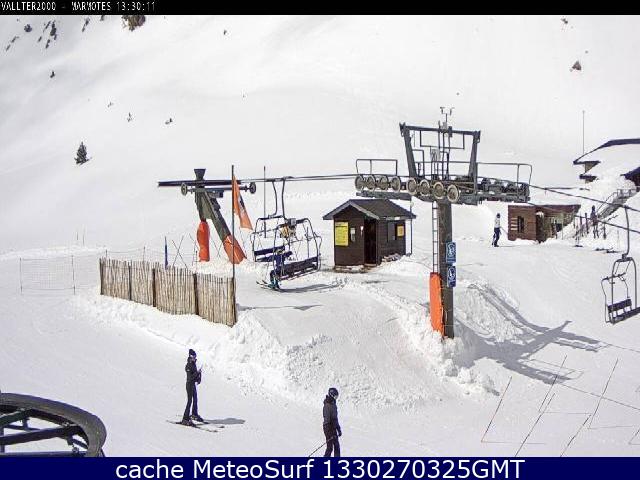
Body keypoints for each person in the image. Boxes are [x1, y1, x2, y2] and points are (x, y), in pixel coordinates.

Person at [182, 348, 203, 425]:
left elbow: (195, 375)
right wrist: (197, 373)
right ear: (190, 357)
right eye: (193, 357)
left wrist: (199, 378)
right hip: (189, 385)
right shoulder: (188, 365)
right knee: (189, 401)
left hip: (193, 384)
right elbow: (190, 377)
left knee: (195, 399)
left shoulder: (194, 364)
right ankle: (185, 418)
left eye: (195, 357)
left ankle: (194, 414)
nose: (195, 358)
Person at [323, 387, 342, 457]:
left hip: (333, 427)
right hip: (328, 428)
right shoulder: (327, 405)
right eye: (335, 396)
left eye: (337, 397)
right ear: (331, 395)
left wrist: (338, 429)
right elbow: (327, 420)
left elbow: (335, 418)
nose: (336, 398)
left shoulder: (334, 405)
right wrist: (330, 432)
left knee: (337, 446)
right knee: (330, 447)